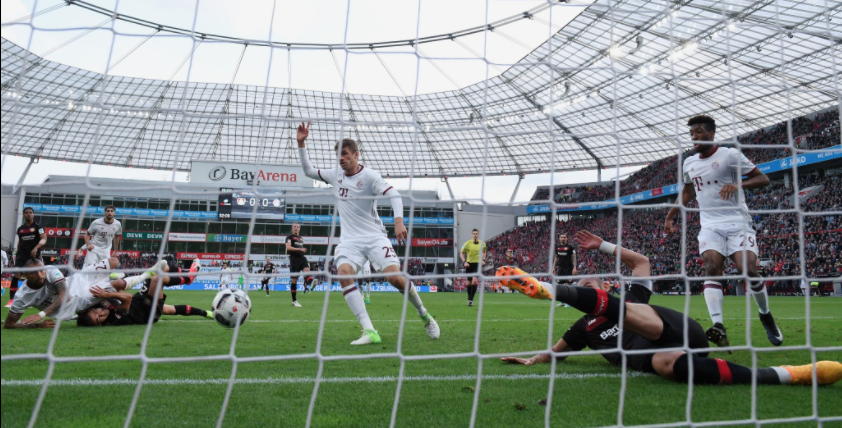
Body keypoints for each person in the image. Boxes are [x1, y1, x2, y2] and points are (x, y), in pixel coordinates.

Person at [500, 231, 842, 387]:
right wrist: (531, 360)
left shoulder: (632, 295)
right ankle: (788, 374)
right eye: (579, 289)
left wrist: (603, 246)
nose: (583, 288)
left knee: (633, 313)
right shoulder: (581, 330)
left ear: (605, 288)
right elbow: (553, 354)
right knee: (662, 363)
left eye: (587, 286)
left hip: (677, 330)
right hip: (667, 358)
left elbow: (642, 261)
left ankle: (548, 289)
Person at [296, 121, 439, 345]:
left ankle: (424, 314)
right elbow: (308, 170)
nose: (341, 159)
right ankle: (369, 331)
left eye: (344, 154)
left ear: (356, 154)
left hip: (374, 236)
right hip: (349, 241)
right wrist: (301, 144)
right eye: (338, 156)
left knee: (395, 278)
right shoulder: (335, 175)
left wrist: (399, 221)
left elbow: (394, 194)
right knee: (343, 273)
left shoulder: (370, 176)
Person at [664, 115, 783, 349]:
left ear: (711, 134)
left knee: (747, 270)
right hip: (709, 225)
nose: (694, 137)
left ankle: (766, 315)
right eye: (691, 133)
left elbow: (763, 178)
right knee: (711, 267)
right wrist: (670, 216)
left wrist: (739, 184)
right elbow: (687, 192)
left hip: (738, 221)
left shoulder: (729, 155)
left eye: (699, 132)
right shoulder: (689, 163)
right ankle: (718, 326)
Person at [3, 258, 155, 329]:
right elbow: (8, 324)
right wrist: (37, 326)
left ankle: (110, 275)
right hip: (77, 300)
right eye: (35, 273)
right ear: (24, 275)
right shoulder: (22, 297)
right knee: (118, 285)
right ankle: (146, 275)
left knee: (114, 261)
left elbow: (63, 293)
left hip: (77, 279)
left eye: (41, 270)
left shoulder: (49, 270)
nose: (41, 274)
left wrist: (41, 314)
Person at [76, 262, 211, 327]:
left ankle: (207, 313)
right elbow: (127, 298)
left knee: (169, 309)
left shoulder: (96, 305)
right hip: (148, 312)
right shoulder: (114, 319)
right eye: (99, 319)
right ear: (100, 325)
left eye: (96, 312)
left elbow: (120, 294)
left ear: (91, 309)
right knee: (157, 279)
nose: (101, 314)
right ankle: (188, 278)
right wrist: (107, 295)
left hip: (139, 301)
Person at [7, 207, 47, 309]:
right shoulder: (20, 229)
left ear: (33, 215)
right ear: (24, 215)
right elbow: (20, 242)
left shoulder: (38, 227)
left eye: (30, 212)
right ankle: (11, 300)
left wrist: (36, 248)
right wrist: (17, 253)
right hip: (21, 256)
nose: (28, 214)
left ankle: (34, 299)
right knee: (16, 275)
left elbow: (44, 239)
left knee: (35, 277)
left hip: (34, 256)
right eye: (26, 213)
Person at [286, 223, 311, 306]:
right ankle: (294, 301)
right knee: (294, 280)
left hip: (302, 258)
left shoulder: (301, 238)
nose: (296, 228)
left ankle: (311, 282)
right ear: (292, 229)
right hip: (294, 260)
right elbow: (288, 248)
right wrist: (300, 249)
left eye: (297, 227)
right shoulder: (289, 238)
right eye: (294, 227)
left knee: (307, 270)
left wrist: (301, 250)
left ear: (299, 229)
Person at [461, 229, 488, 307]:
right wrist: (464, 262)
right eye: (474, 234)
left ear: (478, 235)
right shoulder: (467, 244)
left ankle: (471, 300)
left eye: (476, 234)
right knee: (469, 283)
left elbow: (484, 251)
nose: (475, 235)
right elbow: (461, 253)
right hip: (469, 264)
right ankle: (469, 298)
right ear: (472, 235)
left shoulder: (483, 244)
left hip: (477, 264)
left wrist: (483, 260)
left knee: (474, 281)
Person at [552, 233, 577, 308]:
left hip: (568, 268)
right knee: (560, 285)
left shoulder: (571, 247)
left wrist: (574, 267)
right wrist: (553, 267)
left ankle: (569, 302)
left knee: (568, 285)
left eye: (564, 237)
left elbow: (574, 257)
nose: (563, 238)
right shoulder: (557, 248)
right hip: (560, 268)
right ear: (559, 238)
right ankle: (562, 301)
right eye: (561, 237)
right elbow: (556, 258)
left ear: (567, 238)